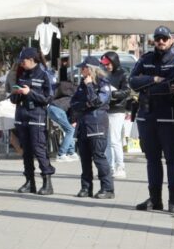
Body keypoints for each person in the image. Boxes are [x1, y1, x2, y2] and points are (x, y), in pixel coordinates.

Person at [129, 27, 174, 212]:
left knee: (173, 159)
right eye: (158, 38)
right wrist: (154, 79)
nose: (161, 41)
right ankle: (155, 199)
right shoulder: (145, 59)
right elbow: (132, 81)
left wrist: (148, 87)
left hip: (170, 118)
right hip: (148, 117)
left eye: (164, 38)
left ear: (171, 40)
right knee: (152, 159)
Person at [11, 48, 55, 196]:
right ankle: (30, 181)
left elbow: (48, 98)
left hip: (37, 116)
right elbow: (13, 99)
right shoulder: (22, 74)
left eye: (23, 61)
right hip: (22, 115)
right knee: (26, 151)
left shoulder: (44, 75)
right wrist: (16, 94)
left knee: (39, 149)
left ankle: (47, 183)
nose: (21, 64)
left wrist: (30, 92)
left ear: (31, 59)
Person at [70, 56, 114, 199]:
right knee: (85, 158)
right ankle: (86, 188)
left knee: (98, 157)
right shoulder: (82, 84)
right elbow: (73, 103)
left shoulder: (103, 84)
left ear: (91, 69)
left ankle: (107, 189)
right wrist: (86, 105)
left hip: (97, 124)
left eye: (83, 67)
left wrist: (89, 88)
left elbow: (97, 102)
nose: (81, 70)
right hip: (83, 124)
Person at [101, 52, 131, 179]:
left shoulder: (123, 74)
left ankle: (120, 167)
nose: (106, 66)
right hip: (108, 109)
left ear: (114, 61)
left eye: (108, 64)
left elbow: (127, 91)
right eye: (105, 64)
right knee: (108, 141)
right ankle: (110, 166)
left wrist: (112, 94)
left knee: (115, 140)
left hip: (117, 110)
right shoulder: (108, 74)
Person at [48, 75, 77, 161]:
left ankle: (71, 152)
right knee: (70, 130)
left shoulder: (68, 94)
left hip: (52, 108)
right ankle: (61, 154)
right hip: (58, 110)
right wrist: (74, 120)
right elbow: (74, 110)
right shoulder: (76, 96)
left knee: (69, 129)